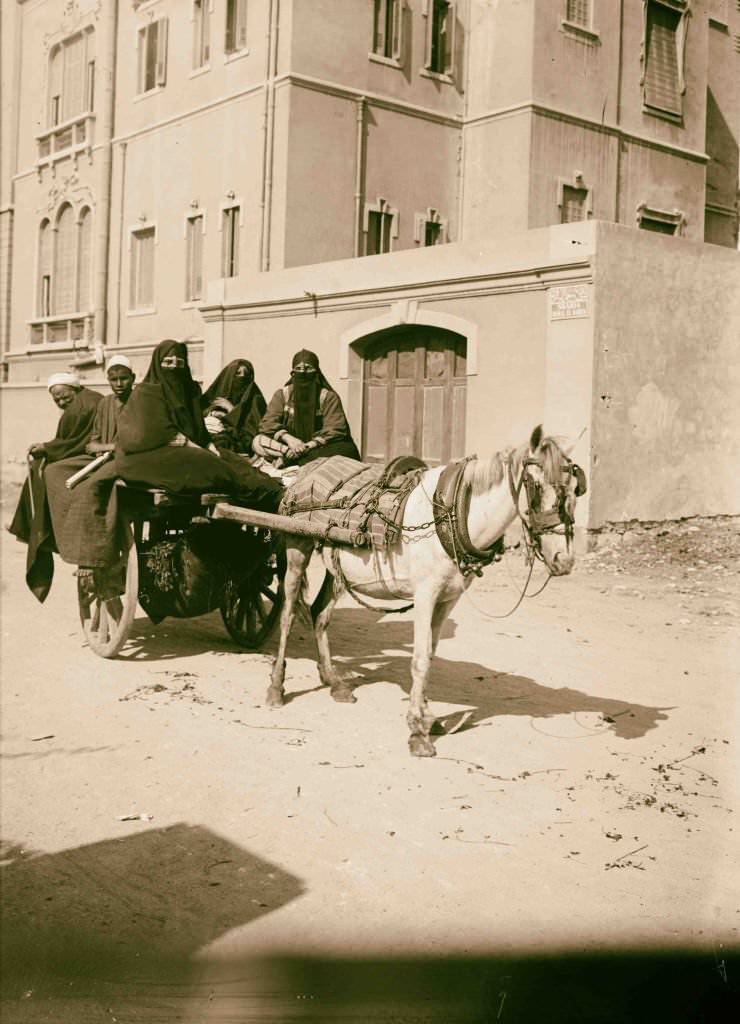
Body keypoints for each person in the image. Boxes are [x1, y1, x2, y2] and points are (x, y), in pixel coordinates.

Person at [7, 372, 103, 601]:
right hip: (81, 453)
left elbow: (75, 443)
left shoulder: (85, 405)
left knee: (43, 472)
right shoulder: (84, 402)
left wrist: (48, 448)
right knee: (38, 468)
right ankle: (29, 527)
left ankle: (37, 529)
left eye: (63, 396)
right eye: (56, 399)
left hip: (90, 457)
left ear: (75, 389)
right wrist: (49, 448)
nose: (61, 402)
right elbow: (71, 442)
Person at [43, 355, 137, 576]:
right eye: (114, 379)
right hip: (102, 456)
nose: (119, 384)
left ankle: (90, 555)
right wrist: (99, 447)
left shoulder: (139, 401)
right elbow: (92, 442)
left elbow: (140, 439)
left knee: (89, 487)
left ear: (133, 378)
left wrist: (111, 448)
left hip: (128, 459)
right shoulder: (105, 404)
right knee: (53, 471)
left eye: (124, 378)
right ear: (108, 380)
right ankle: (63, 534)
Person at [253, 349, 360, 467]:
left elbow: (335, 428)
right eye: (298, 369)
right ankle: (294, 458)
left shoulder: (327, 397)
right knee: (258, 441)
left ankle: (292, 460)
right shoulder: (283, 395)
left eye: (308, 368)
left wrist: (307, 446)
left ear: (317, 372)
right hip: (288, 447)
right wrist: (289, 439)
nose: (303, 372)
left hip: (316, 447)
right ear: (293, 373)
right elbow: (267, 423)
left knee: (347, 450)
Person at [201, 359, 267, 454]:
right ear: (229, 377)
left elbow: (251, 435)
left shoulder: (255, 400)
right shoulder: (217, 394)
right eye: (238, 373)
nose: (242, 377)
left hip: (233, 444)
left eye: (246, 374)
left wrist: (232, 411)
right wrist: (212, 413)